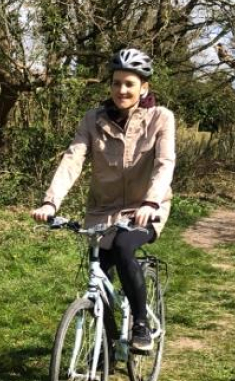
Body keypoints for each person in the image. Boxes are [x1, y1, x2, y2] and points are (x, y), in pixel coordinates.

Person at [31, 48, 176, 352]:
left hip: (145, 209)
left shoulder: (161, 118)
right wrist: (50, 202)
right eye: (116, 83)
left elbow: (165, 164)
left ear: (143, 88)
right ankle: (108, 345)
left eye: (129, 84)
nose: (121, 90)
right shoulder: (93, 120)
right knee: (100, 275)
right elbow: (73, 160)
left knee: (124, 247)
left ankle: (140, 324)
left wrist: (150, 203)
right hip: (102, 211)